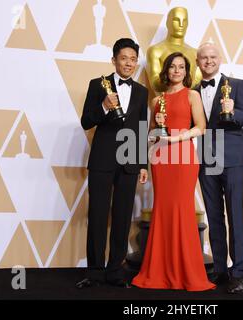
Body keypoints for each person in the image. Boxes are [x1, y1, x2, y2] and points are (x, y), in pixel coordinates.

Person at [132, 52, 215, 291]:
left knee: (182, 210)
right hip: (161, 160)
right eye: (172, 67)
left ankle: (186, 272)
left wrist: (180, 135)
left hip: (184, 158)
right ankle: (160, 271)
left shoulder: (192, 95)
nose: (177, 71)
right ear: (166, 71)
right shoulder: (156, 101)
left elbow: (201, 127)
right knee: (163, 211)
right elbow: (151, 137)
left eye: (181, 67)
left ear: (186, 72)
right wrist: (157, 125)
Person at [76, 38, 148, 289]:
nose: (128, 63)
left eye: (132, 59)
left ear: (136, 62)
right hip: (103, 159)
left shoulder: (141, 91)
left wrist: (142, 165)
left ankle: (115, 271)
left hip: (130, 161)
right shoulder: (98, 85)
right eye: (124, 58)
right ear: (114, 60)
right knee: (97, 214)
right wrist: (104, 108)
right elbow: (86, 121)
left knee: (122, 217)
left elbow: (141, 128)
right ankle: (94, 272)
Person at [195, 42, 243, 293]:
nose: (208, 61)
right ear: (197, 62)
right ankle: (219, 270)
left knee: (234, 216)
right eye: (204, 58)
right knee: (214, 216)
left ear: (220, 59)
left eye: (213, 57)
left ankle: (238, 273)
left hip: (231, 158)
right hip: (207, 158)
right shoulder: (194, 91)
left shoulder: (236, 85)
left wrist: (234, 111)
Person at [146, 7, 202, 92]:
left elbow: (197, 83)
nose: (181, 24)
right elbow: (155, 85)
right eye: (176, 20)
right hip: (164, 103)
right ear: (168, 23)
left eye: (184, 21)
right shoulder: (156, 50)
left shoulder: (196, 53)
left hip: (190, 103)